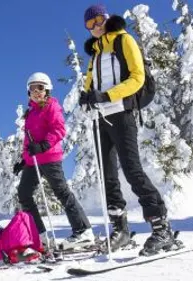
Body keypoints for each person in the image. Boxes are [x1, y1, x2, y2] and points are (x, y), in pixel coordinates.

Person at [80, 4, 175, 254]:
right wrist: (87, 96)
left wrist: (107, 96)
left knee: (132, 170)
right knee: (108, 177)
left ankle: (160, 226)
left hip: (122, 114)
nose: (95, 26)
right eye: (90, 24)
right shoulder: (95, 55)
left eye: (98, 19)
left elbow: (137, 77)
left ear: (107, 18)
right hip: (101, 120)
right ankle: (120, 229)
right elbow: (90, 85)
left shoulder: (124, 40)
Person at [13, 72, 94, 251]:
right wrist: (23, 160)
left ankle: (83, 231)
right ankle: (39, 236)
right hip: (33, 160)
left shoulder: (51, 106)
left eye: (40, 87)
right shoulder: (30, 112)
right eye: (32, 88)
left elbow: (59, 129)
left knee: (61, 191)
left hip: (49, 157)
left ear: (47, 89)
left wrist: (44, 145)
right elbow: (28, 141)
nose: (36, 91)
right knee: (24, 193)